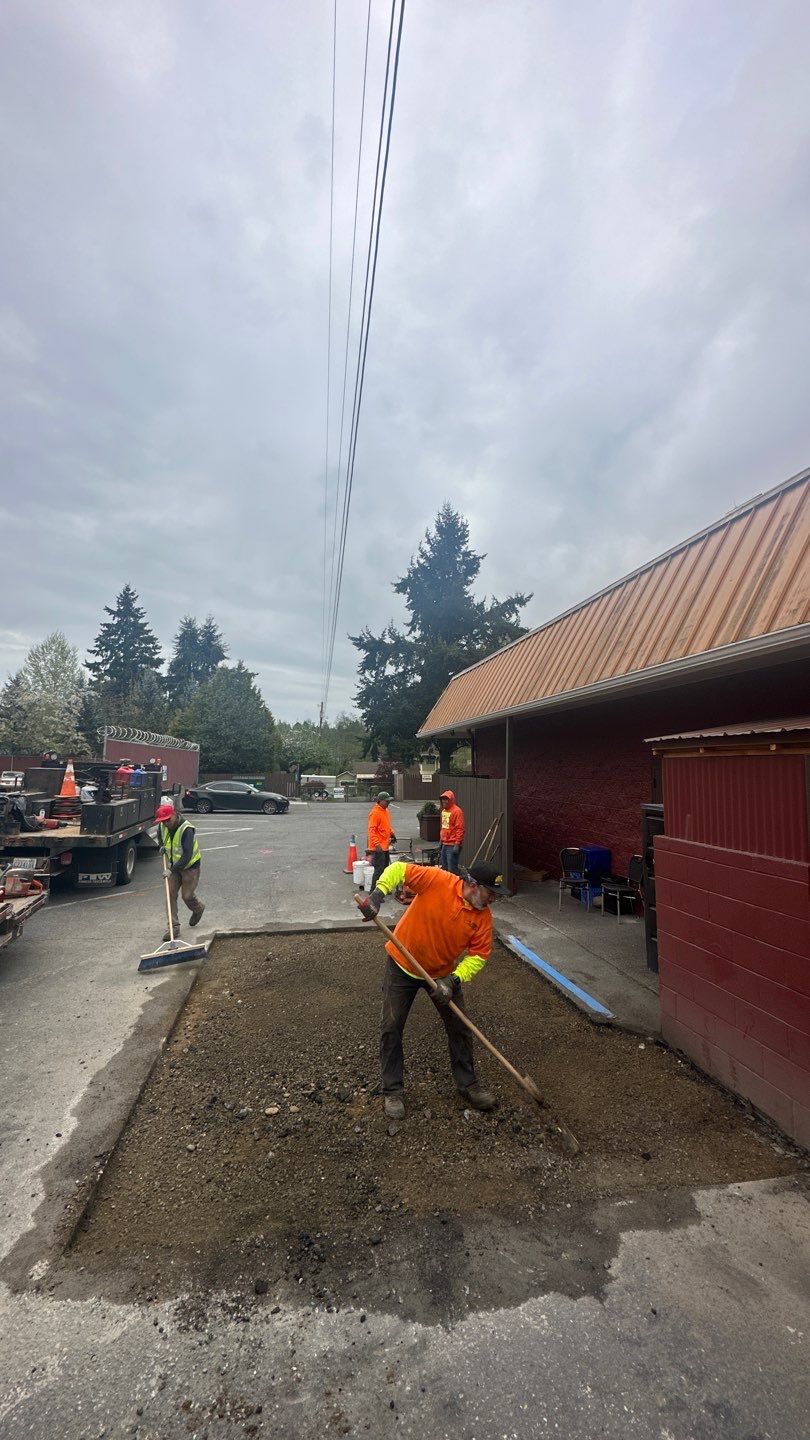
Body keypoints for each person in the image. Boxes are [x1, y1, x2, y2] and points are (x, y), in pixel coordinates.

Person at [357, 860, 505, 1120]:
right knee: (391, 1026)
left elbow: (479, 956)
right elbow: (399, 869)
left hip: (442, 975)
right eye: (491, 893)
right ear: (472, 885)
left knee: (460, 1027)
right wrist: (378, 895)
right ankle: (392, 1090)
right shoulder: (438, 880)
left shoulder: (483, 918)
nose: (493, 899)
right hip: (402, 964)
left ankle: (468, 1085)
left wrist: (453, 980)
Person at [155, 802, 205, 939]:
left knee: (187, 896)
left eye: (167, 820)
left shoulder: (186, 829)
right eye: (163, 821)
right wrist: (161, 846)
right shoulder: (162, 826)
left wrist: (171, 870)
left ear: (174, 815)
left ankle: (198, 909)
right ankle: (173, 928)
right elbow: (160, 837)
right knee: (169, 895)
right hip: (173, 866)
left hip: (190, 867)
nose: (166, 824)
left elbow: (187, 855)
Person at [367, 790, 396, 887]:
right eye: (386, 801)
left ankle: (382, 889)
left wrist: (392, 834)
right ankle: (373, 892)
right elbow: (372, 830)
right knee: (378, 870)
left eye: (389, 801)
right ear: (380, 801)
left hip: (385, 846)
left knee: (385, 869)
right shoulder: (375, 813)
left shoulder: (386, 811)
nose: (389, 803)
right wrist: (376, 844)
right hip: (379, 847)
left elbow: (387, 825)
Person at [438, 789, 464, 873]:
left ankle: (455, 885)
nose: (444, 801)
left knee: (452, 869)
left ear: (451, 800)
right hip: (445, 844)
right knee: (445, 868)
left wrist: (457, 844)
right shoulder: (444, 811)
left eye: (446, 799)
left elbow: (460, 828)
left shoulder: (457, 811)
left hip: (452, 845)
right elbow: (444, 827)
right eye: (443, 799)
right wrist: (441, 840)